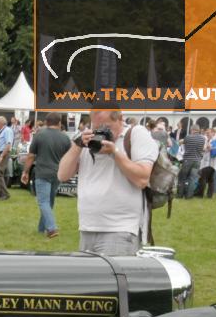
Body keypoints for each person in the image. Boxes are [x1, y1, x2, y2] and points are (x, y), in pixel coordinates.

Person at [56, 108, 157, 255]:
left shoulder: (136, 134)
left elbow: (142, 178)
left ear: (120, 118)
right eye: (96, 128)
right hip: (87, 227)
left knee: (113, 277)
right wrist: (78, 145)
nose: (101, 133)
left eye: (107, 127)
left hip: (120, 228)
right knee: (90, 278)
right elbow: (62, 175)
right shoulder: (86, 138)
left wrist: (114, 153)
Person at [21, 113, 72, 239]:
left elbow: (31, 156)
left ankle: (51, 228)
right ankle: (41, 229)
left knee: (43, 202)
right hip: (57, 173)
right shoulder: (65, 138)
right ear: (59, 123)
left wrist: (25, 172)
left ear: (46, 122)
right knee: (49, 202)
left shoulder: (39, 135)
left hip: (42, 173)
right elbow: (69, 158)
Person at [179, 127, 206, 198]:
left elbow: (181, 142)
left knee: (182, 178)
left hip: (188, 160)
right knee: (192, 179)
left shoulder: (188, 137)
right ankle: (189, 196)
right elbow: (202, 149)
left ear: (192, 130)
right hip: (197, 161)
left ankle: (180, 194)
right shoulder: (203, 138)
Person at [0, 115, 13, 200]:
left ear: (1, 123)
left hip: (3, 153)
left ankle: (5, 194)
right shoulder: (1, 131)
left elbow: (8, 145)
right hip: (0, 153)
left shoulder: (7, 130)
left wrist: (1, 156)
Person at [196, 128, 216, 199]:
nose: (207, 134)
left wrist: (207, 148)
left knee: (204, 178)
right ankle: (209, 195)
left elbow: (210, 149)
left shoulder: (215, 141)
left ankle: (200, 194)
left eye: (209, 133)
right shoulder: (206, 140)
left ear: (213, 133)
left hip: (210, 162)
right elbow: (204, 149)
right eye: (206, 133)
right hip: (206, 162)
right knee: (210, 179)